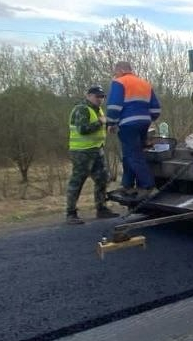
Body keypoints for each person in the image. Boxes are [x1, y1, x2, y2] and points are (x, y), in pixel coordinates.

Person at [105, 61, 161, 197]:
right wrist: (149, 119)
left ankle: (148, 186)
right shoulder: (144, 83)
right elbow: (156, 108)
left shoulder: (119, 82)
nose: (114, 74)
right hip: (144, 123)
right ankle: (127, 185)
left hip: (127, 124)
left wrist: (111, 123)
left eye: (115, 71)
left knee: (133, 155)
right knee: (129, 154)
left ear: (120, 70)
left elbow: (113, 106)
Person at [65, 86, 119, 224]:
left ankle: (101, 208)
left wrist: (108, 127)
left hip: (96, 150)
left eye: (102, 97)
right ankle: (71, 213)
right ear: (88, 96)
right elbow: (83, 129)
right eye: (97, 96)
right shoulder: (81, 109)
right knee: (77, 182)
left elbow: (97, 127)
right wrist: (100, 122)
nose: (100, 99)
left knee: (102, 179)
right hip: (81, 152)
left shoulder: (97, 109)